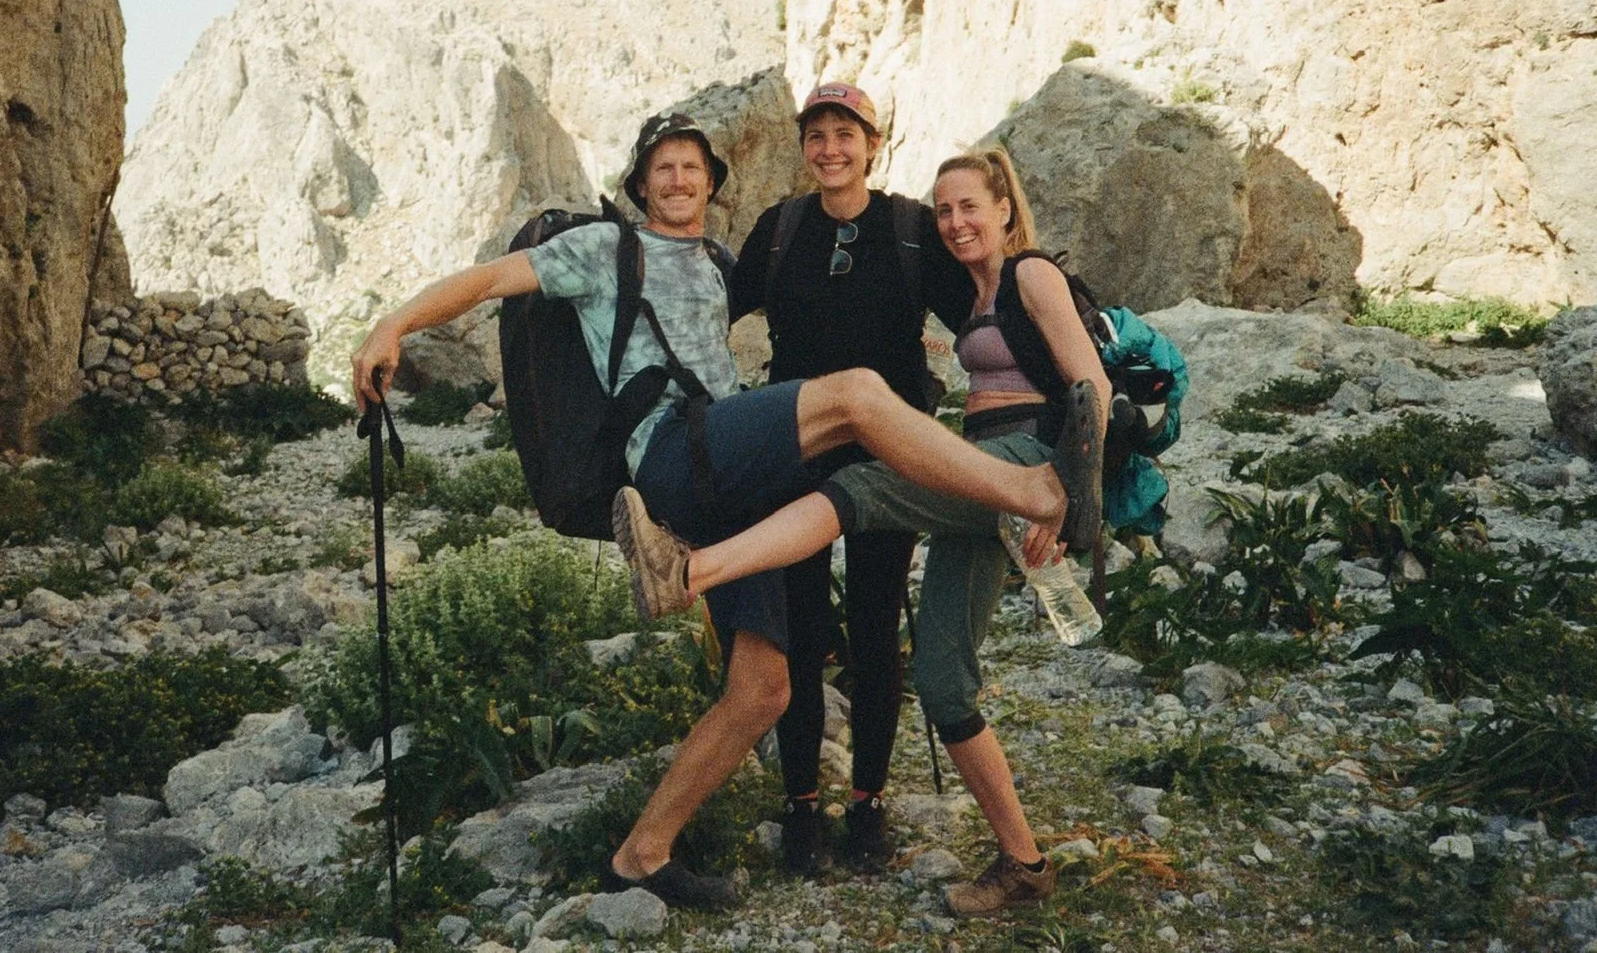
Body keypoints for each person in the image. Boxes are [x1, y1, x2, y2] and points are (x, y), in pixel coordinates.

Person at [351, 114, 1095, 912]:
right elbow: (490, 280)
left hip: (726, 477)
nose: (678, 180)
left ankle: (643, 852)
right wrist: (394, 324)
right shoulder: (605, 250)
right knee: (854, 396)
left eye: (692, 168)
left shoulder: (719, 263)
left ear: (712, 183)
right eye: (662, 168)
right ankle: (1029, 494)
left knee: (763, 690)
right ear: (641, 185)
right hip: (674, 448)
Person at [614, 148, 1109, 917]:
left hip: (1026, 470)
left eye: (970, 208)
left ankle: (689, 572)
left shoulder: (1031, 274)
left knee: (862, 489)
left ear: (1007, 208)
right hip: (986, 478)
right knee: (943, 676)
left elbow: (1091, 389)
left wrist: (1073, 502)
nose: (955, 224)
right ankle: (1024, 863)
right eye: (945, 211)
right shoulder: (971, 288)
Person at [726, 82, 973, 876]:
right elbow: (709, 315)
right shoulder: (780, 230)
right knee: (796, 626)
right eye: (817, 135)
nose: (831, 148)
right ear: (804, 147)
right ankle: (802, 808)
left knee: (873, 626)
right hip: (793, 450)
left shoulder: (909, 231)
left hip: (888, 455)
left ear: (872, 144)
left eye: (845, 133)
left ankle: (867, 805)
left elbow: (979, 314)